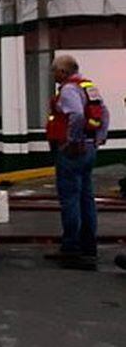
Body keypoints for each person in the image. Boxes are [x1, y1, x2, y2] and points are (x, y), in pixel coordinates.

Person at [44, 55, 110, 270]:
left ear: (63, 72)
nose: (53, 75)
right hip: (90, 148)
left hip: (72, 151)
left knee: (70, 198)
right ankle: (89, 245)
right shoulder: (88, 86)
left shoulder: (69, 90)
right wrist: (98, 138)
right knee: (86, 197)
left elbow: (78, 115)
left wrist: (72, 141)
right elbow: (105, 113)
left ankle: (71, 247)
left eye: (54, 71)